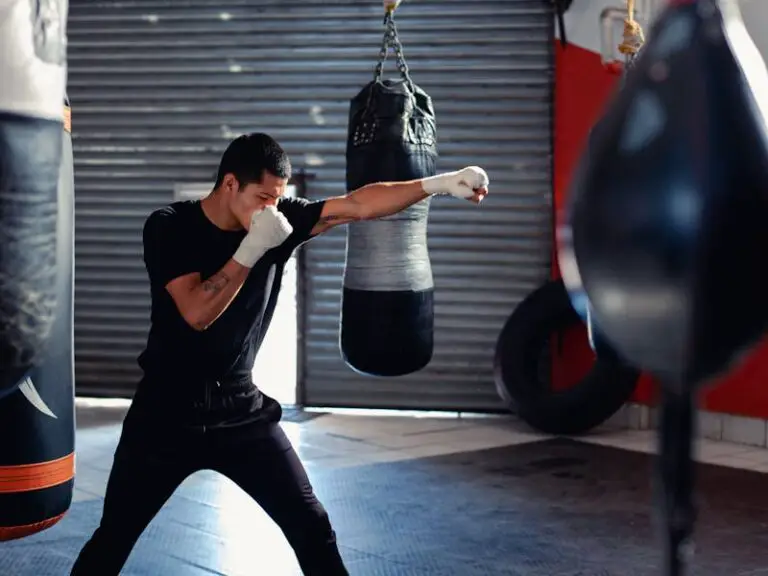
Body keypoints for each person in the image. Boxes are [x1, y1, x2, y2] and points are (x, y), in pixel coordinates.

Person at [70, 132, 490, 576]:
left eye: (278, 199)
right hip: (165, 413)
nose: (271, 210)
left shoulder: (277, 219)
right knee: (114, 537)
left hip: (240, 411)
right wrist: (252, 248)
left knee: (312, 526)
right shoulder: (170, 225)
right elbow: (196, 312)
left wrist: (438, 184)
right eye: (263, 197)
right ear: (229, 184)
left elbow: (359, 204)